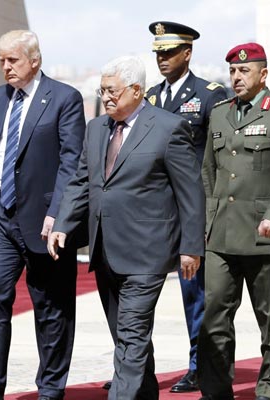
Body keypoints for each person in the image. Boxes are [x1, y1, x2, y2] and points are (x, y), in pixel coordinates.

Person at [48, 55, 204, 400]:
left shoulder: (168, 128)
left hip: (148, 251)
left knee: (132, 334)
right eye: (102, 90)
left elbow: (191, 193)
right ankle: (145, 392)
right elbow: (80, 182)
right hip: (104, 250)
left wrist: (191, 247)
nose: (106, 97)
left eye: (112, 91)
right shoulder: (96, 129)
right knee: (125, 335)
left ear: (136, 90)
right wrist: (63, 223)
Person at [0, 30, 85, 400]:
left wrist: (59, 214)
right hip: (1, 213)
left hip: (45, 220)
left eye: (12, 60)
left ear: (34, 60)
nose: (6, 67)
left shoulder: (65, 98)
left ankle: (50, 388)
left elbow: (72, 162)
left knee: (51, 306)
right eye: (1, 60)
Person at [198, 43, 270, 400]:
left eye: (244, 71)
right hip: (222, 234)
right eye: (232, 71)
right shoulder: (219, 114)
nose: (236, 77)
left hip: (266, 233)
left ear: (263, 74)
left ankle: (269, 389)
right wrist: (207, 220)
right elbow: (208, 171)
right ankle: (215, 390)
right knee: (214, 314)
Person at [145, 20, 227, 394]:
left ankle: (199, 366)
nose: (162, 59)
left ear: (187, 53)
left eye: (169, 52)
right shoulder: (149, 98)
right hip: (152, 212)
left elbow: (219, 157)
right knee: (137, 292)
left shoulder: (209, 95)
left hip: (190, 209)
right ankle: (136, 366)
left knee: (195, 295)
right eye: (158, 53)